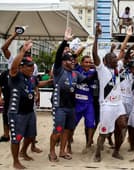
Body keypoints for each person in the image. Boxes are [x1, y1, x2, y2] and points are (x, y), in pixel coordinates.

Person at [48, 28, 88, 162]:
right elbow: (59, 55)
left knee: (67, 130)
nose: (72, 62)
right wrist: (65, 41)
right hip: (60, 106)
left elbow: (89, 78)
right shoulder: (59, 71)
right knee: (58, 130)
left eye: (73, 60)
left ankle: (62, 151)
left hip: (71, 107)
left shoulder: (75, 74)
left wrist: (100, 69)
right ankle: (52, 152)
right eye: (70, 60)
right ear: (63, 62)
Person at [93, 23, 127, 162]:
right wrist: (96, 36)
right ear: (106, 61)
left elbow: (122, 53)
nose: (115, 59)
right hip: (107, 105)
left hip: (119, 104)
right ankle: (97, 153)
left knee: (123, 125)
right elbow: (94, 54)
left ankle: (116, 151)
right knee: (104, 132)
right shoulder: (102, 69)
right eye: (112, 58)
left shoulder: (118, 70)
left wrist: (127, 38)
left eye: (115, 58)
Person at [8, 40, 36, 169]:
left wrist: (52, 81)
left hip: (30, 112)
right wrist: (22, 51)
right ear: (22, 67)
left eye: (32, 66)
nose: (32, 68)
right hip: (17, 113)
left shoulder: (30, 78)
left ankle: (23, 152)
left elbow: (38, 85)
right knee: (17, 138)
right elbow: (13, 66)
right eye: (29, 66)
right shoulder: (15, 75)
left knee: (30, 136)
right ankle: (15, 161)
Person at [0, 70, 11, 144]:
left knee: (22, 119)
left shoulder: (22, 72)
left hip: (20, 101)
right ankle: (6, 136)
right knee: (5, 118)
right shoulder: (5, 73)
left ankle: (28, 137)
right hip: (7, 100)